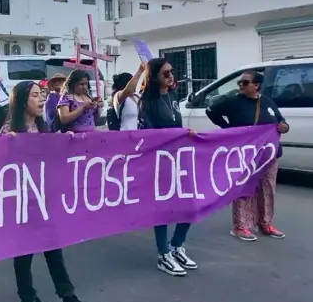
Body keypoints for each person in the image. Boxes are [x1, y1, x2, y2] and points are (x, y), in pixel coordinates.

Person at [1, 81, 95, 302]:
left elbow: (52, 158)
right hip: (22, 203)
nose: (41, 100)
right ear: (22, 100)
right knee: (23, 254)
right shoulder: (8, 131)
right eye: (35, 95)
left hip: (43, 201)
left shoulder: (44, 130)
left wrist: (67, 142)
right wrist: (6, 145)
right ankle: (28, 301)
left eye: (41, 95)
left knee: (53, 249)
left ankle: (69, 299)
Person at [205, 69, 289, 241]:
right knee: (244, 188)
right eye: (239, 82)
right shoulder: (232, 101)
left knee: (267, 189)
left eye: (244, 82)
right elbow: (211, 111)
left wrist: (284, 127)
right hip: (245, 154)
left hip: (269, 155)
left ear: (256, 85)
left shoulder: (267, 102)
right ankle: (241, 226)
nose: (240, 85)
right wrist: (228, 129)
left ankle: (265, 223)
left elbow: (282, 121)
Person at [140, 58, 197, 277]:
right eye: (165, 73)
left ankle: (177, 246)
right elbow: (151, 135)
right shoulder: (146, 102)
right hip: (160, 162)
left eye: (172, 72)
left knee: (190, 204)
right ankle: (163, 254)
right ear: (154, 77)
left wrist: (185, 134)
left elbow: (175, 124)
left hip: (180, 158)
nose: (171, 76)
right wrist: (178, 134)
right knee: (163, 208)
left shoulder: (172, 96)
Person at [109, 63, 147, 131]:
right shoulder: (118, 96)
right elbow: (129, 89)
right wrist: (140, 71)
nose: (135, 84)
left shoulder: (136, 97)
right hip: (124, 135)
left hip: (138, 135)